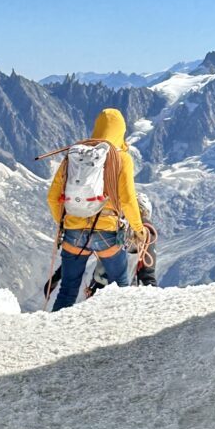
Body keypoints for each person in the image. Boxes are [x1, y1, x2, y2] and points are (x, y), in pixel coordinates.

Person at [47, 107, 146, 311]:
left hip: (73, 231)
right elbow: (127, 199)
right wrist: (138, 229)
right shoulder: (122, 158)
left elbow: (52, 196)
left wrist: (63, 223)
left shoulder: (75, 155)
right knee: (120, 286)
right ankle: (122, 334)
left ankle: (53, 333)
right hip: (107, 232)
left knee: (67, 290)